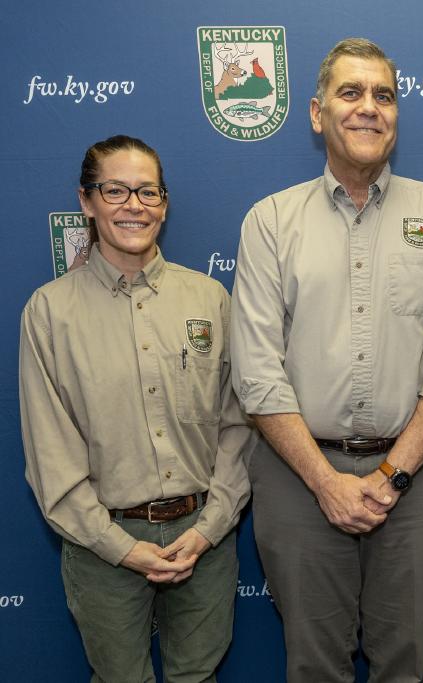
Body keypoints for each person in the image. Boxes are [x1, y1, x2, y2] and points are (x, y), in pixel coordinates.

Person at [230, 38, 423, 682]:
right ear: (317, 114)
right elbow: (257, 374)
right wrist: (325, 483)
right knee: (314, 666)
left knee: (407, 663)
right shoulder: (269, 221)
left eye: (384, 95)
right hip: (298, 475)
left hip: (416, 473)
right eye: (351, 93)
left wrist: (391, 475)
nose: (369, 108)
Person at [20, 134, 252, 681]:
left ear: (165, 204)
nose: (134, 206)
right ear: (87, 201)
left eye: (148, 192)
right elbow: (50, 452)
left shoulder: (210, 299)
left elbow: (238, 426)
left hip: (205, 538)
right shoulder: (50, 313)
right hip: (103, 544)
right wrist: (120, 547)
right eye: (116, 190)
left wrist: (210, 526)